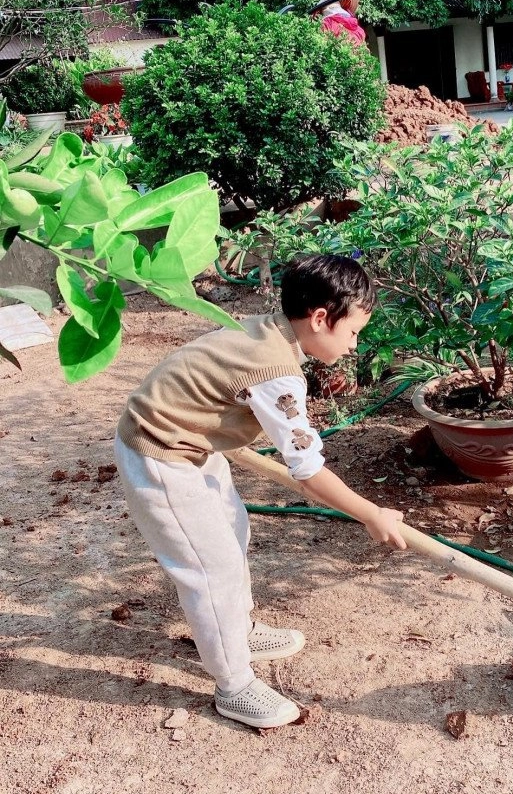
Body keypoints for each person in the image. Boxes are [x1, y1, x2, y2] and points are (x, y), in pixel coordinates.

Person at [114, 254, 406, 731]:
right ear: (319, 319)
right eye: (353, 332)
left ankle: (240, 631)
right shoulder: (275, 371)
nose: (355, 346)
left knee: (234, 529)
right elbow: (308, 472)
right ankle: (234, 686)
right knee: (212, 569)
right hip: (161, 452)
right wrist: (370, 513)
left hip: (192, 440)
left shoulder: (269, 329)